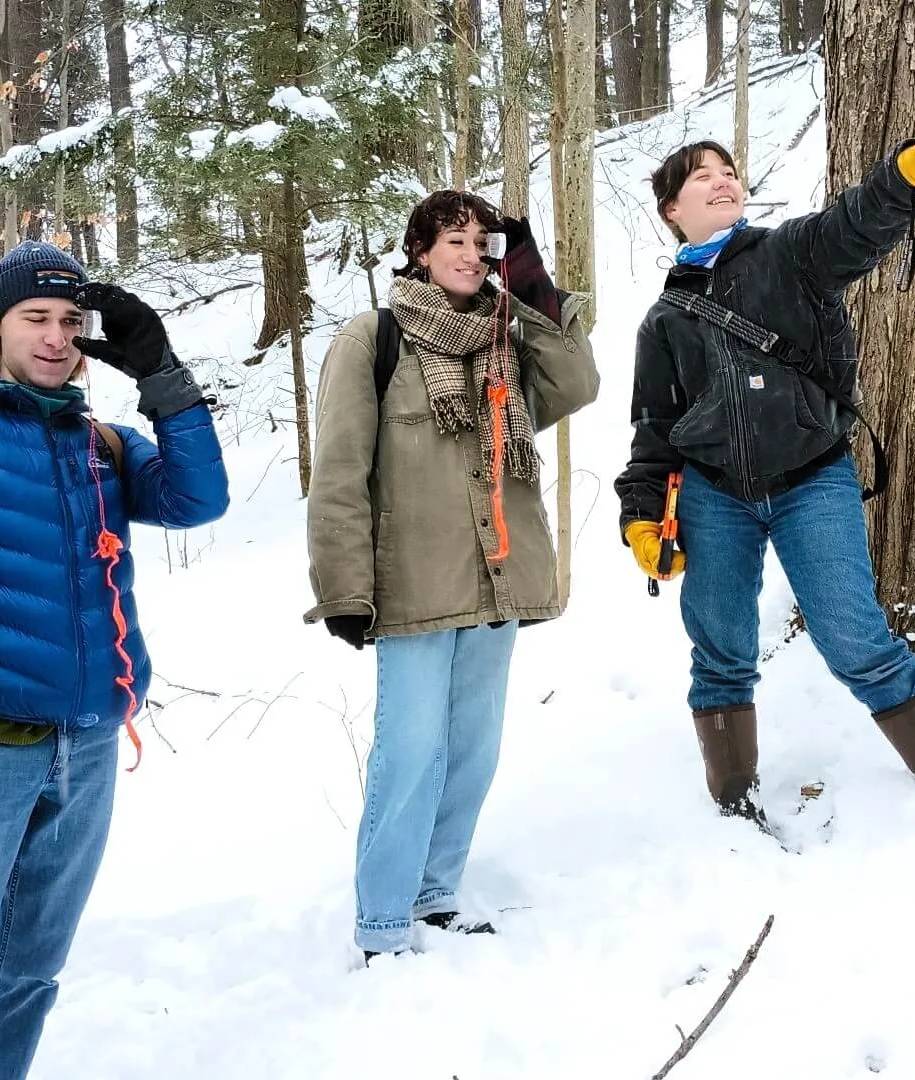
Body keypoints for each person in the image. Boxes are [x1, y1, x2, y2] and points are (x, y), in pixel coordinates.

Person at [0, 240, 230, 1078]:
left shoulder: (102, 444)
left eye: (70, 322)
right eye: (36, 319)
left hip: (89, 744)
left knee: (29, 973)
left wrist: (160, 370)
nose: (55, 338)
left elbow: (201, 498)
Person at [612, 126, 915, 852]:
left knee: (856, 640)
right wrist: (642, 519)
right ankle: (736, 812)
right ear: (672, 208)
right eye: (700, 175)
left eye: (729, 170)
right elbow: (653, 433)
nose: (721, 180)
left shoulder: (789, 254)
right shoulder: (663, 322)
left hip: (812, 479)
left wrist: (912, 171)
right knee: (720, 649)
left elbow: (858, 222)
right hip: (713, 496)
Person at [305, 192, 599, 962]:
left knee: (473, 748)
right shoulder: (372, 339)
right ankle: (381, 924)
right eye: (454, 241)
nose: (471, 254)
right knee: (410, 752)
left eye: (483, 243)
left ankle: (436, 896)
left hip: (496, 579)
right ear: (419, 251)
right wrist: (343, 589)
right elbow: (337, 472)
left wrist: (532, 281)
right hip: (412, 585)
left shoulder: (508, 340)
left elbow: (579, 383)